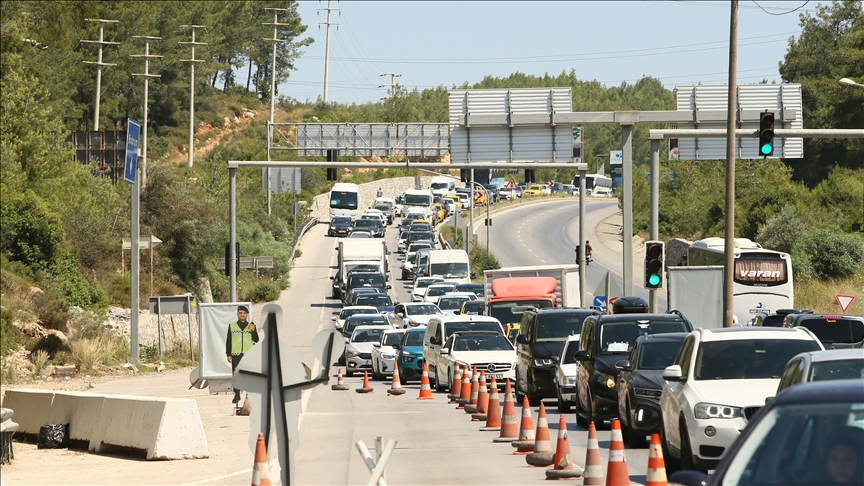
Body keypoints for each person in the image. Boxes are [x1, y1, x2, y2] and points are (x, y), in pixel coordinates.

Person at [226, 305, 259, 404]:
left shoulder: (251, 326)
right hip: (236, 355)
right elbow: (229, 341)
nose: (242, 315)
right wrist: (228, 354)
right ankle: (237, 394)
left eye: (244, 313)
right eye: (240, 313)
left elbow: (256, 340)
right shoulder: (232, 326)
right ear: (237, 314)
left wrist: (253, 331)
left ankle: (249, 394)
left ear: (247, 314)